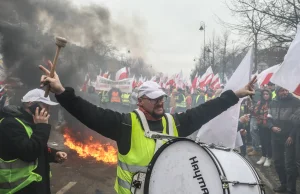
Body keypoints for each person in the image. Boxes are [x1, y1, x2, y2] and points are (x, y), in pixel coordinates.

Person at [39, 61, 256, 194]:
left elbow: (206, 110)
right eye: (154, 99)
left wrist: (234, 95)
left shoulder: (174, 123)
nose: (160, 102)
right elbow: (89, 113)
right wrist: (61, 92)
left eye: (161, 97)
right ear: (141, 101)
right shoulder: (125, 124)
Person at [0, 88, 68, 194]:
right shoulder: (10, 124)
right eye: (45, 105)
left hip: (36, 187)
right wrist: (42, 126)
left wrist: (53, 154)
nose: (48, 110)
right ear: (30, 104)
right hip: (19, 189)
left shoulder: (30, 122)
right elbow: (29, 152)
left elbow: (36, 145)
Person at [268, 87, 300, 194]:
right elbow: (268, 118)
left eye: (286, 90)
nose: (285, 92)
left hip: (289, 138)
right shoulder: (273, 102)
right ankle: (284, 184)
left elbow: (298, 122)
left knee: (290, 164)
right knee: (278, 162)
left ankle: (291, 189)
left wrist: (291, 135)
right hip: (275, 137)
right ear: (277, 92)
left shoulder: (296, 102)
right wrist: (271, 127)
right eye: (282, 90)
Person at [254, 89, 272, 167]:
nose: (265, 95)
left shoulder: (272, 103)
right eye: (264, 94)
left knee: (268, 142)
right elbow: (255, 112)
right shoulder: (259, 103)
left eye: (267, 94)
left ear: (270, 95)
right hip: (261, 125)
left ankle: (269, 157)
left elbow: (272, 115)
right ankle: (263, 156)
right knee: (262, 141)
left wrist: (265, 118)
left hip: (269, 125)